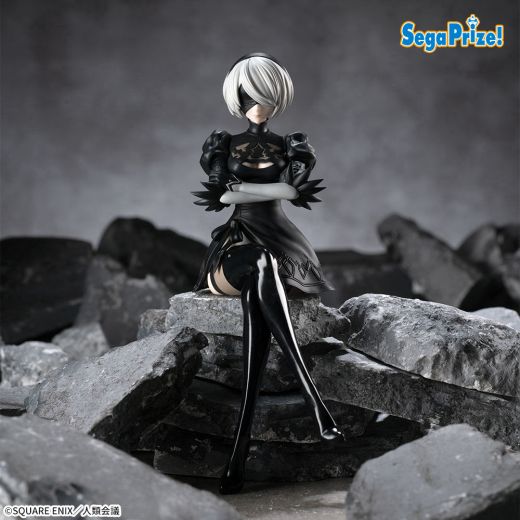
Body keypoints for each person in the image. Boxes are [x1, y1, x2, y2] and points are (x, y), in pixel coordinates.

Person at [192, 53, 344, 495]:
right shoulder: (223, 143)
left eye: (266, 95)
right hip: (233, 252)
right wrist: (263, 189)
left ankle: (237, 457)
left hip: (282, 245)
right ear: (237, 98)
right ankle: (312, 395)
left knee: (261, 295)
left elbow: (291, 192)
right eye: (250, 95)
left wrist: (245, 188)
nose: (259, 104)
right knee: (260, 262)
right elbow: (223, 198)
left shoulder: (291, 144)